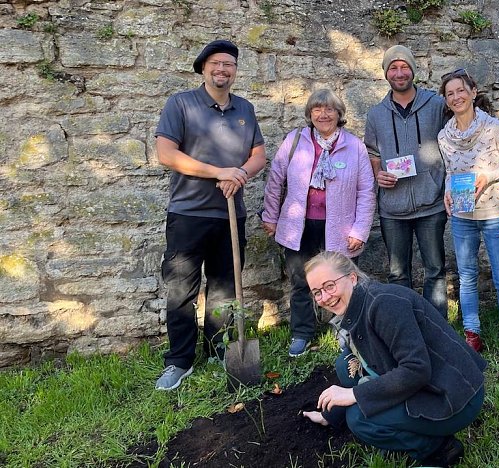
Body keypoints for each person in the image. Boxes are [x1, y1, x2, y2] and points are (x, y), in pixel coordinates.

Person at [301, 251, 486, 467]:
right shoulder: (359, 303)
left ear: (352, 278)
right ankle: (408, 428)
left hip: (454, 396)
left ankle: (439, 449)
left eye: (329, 285)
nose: (325, 297)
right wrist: (331, 415)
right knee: (345, 365)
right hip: (431, 381)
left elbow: (416, 369)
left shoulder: (384, 304)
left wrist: (354, 394)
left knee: (359, 418)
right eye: (317, 292)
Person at [154, 40, 266, 390]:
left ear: (235, 71)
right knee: (181, 290)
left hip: (231, 213)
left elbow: (258, 155)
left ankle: (219, 348)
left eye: (229, 64)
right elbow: (166, 154)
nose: (222, 70)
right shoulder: (181, 104)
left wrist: (240, 175)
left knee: (224, 287)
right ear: (203, 68)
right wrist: (218, 172)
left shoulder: (245, 109)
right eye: (216, 64)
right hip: (188, 214)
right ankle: (180, 361)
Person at [261, 89, 375, 357]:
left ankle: (348, 332)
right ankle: (302, 333)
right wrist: (270, 216)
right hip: (298, 227)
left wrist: (360, 230)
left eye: (330, 109)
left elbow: (366, 191)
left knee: (343, 282)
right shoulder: (294, 141)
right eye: (317, 109)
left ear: (339, 114)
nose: (323, 114)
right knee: (301, 280)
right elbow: (275, 180)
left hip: (340, 228)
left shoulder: (353, 146)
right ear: (310, 114)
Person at [437, 68, 499, 356]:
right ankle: (472, 335)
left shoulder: (494, 128)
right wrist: (446, 190)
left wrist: (489, 176)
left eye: (461, 91)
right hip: (463, 217)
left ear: (473, 92)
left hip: (494, 214)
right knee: (466, 278)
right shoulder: (444, 136)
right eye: (450, 93)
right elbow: (449, 171)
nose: (456, 97)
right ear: (445, 99)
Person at [364, 45, 449, 317]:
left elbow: (453, 140)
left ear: (413, 70)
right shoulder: (376, 114)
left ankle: (436, 326)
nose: (399, 73)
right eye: (393, 68)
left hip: (431, 202)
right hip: (393, 207)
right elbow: (372, 151)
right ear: (386, 74)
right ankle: (406, 325)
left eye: (404, 67)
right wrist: (378, 173)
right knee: (398, 272)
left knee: (434, 270)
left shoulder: (436, 105)